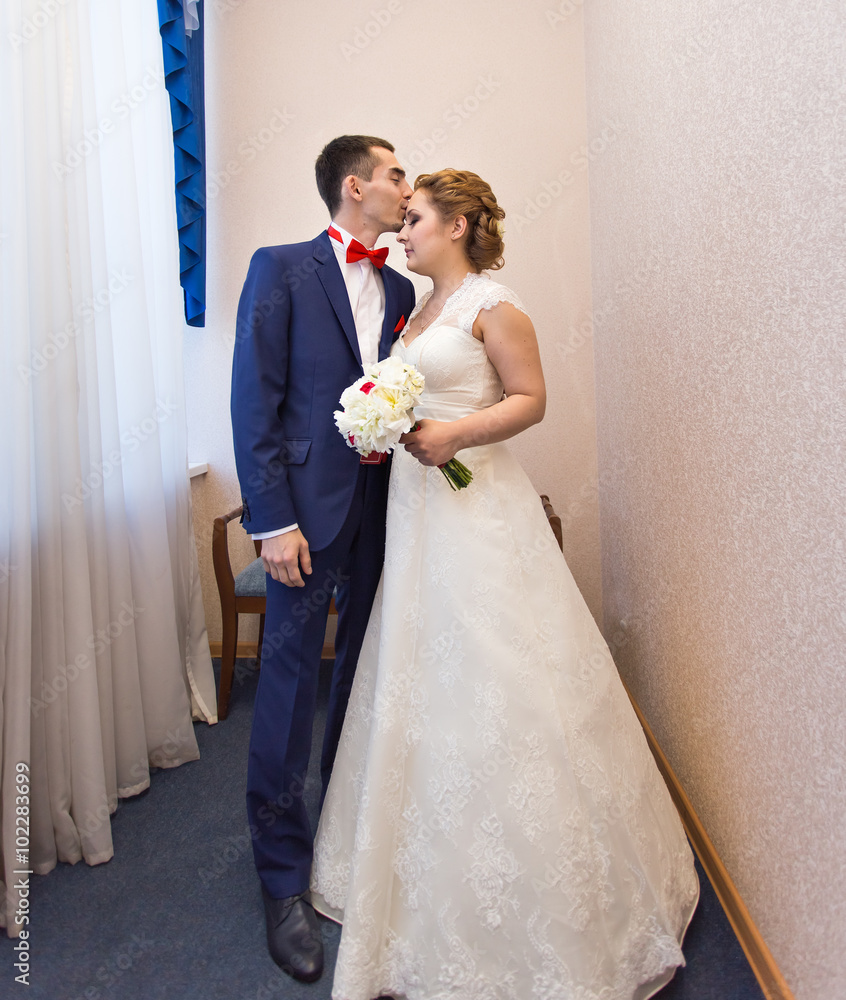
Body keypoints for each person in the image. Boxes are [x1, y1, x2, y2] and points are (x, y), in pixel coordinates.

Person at [310, 169, 699, 999]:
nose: (402, 233)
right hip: (417, 508)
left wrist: (456, 436)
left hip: (479, 507)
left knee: (500, 665)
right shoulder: (416, 312)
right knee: (420, 667)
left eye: (414, 220)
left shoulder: (494, 305)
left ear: (456, 225)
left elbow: (531, 399)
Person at [230, 135, 415, 982]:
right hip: (304, 517)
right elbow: (254, 400)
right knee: (288, 685)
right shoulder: (280, 268)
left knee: (365, 677)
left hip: (389, 509)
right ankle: (281, 878)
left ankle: (340, 840)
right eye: (394, 174)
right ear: (354, 186)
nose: (406, 186)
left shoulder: (403, 287)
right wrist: (272, 520)